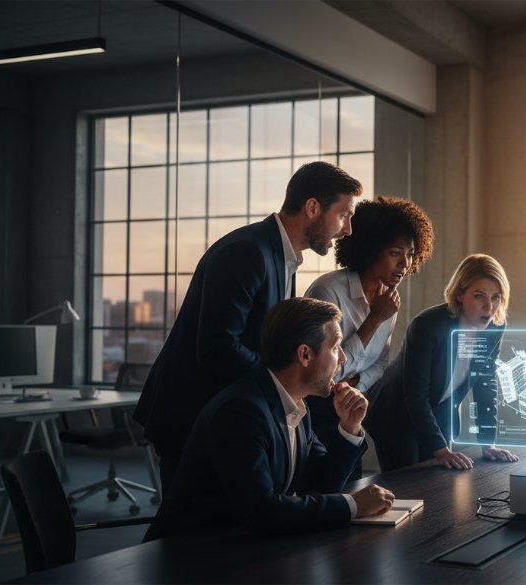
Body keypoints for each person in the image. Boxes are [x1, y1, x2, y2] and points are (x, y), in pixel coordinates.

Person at [134, 161, 362, 492]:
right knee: (190, 534)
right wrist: (285, 385)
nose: (348, 230)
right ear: (313, 208)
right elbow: (218, 347)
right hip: (193, 412)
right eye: (344, 215)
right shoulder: (247, 252)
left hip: (232, 413)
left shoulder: (284, 259)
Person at [143, 297, 395, 542]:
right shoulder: (241, 411)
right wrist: (351, 505)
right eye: (335, 346)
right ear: (305, 355)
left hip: (242, 553)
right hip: (188, 559)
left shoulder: (296, 406)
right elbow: (261, 511)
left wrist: (349, 427)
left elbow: (320, 485)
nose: (342, 358)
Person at [303, 196, 434, 472]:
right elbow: (321, 373)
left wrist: (356, 385)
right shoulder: (328, 292)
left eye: (410, 254)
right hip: (316, 414)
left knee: (355, 489)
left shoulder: (388, 299)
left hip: (351, 408)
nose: (405, 264)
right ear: (371, 248)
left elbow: (380, 363)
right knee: (328, 489)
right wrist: (374, 318)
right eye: (395, 253)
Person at [364, 254, 519, 472]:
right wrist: (440, 449)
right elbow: (416, 396)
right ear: (459, 295)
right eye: (478, 296)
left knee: (443, 479)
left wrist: (487, 442)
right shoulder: (428, 325)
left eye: (496, 297)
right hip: (396, 412)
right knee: (407, 484)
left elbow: (485, 383)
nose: (489, 307)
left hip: (439, 409)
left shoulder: (494, 328)